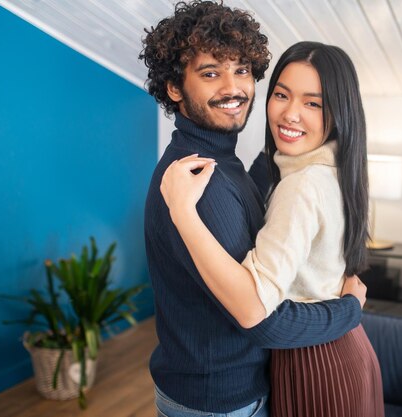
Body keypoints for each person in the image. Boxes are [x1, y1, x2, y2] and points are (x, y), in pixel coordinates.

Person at [140, 2, 366, 417]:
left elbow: (268, 175)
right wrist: (348, 310)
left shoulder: (227, 164)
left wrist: (293, 131)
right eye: (211, 73)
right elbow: (262, 319)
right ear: (174, 87)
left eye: (242, 70)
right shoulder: (200, 180)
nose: (234, 87)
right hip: (219, 401)